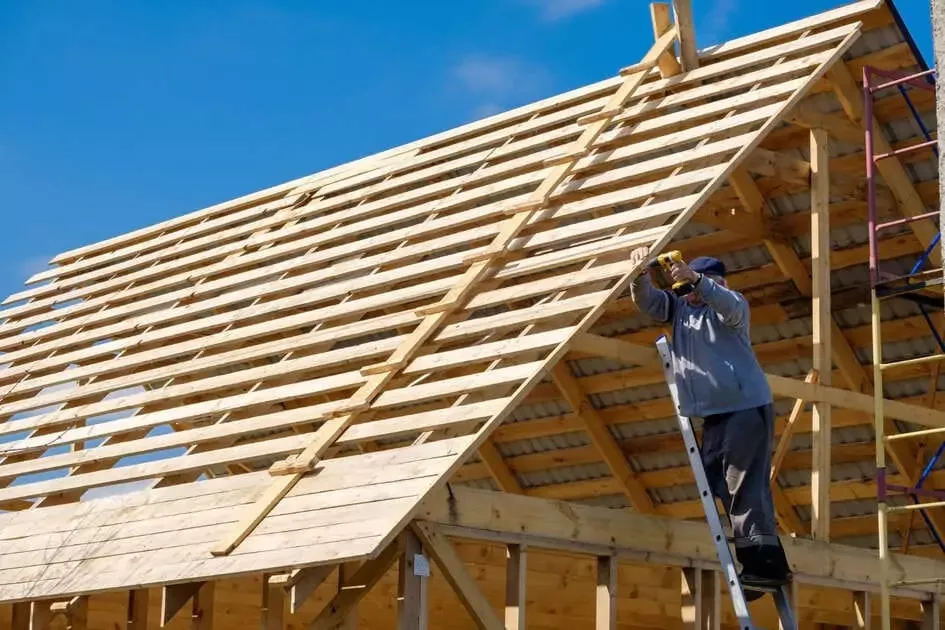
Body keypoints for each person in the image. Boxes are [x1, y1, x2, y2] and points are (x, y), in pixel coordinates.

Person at [628, 246, 792, 599]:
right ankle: (759, 559)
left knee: (743, 485)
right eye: (684, 290)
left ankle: (765, 566)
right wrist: (640, 274)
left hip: (745, 407)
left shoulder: (729, 308)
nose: (690, 296)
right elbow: (648, 303)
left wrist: (697, 282)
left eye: (695, 289)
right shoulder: (680, 310)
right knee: (719, 483)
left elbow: (728, 305)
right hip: (714, 415)